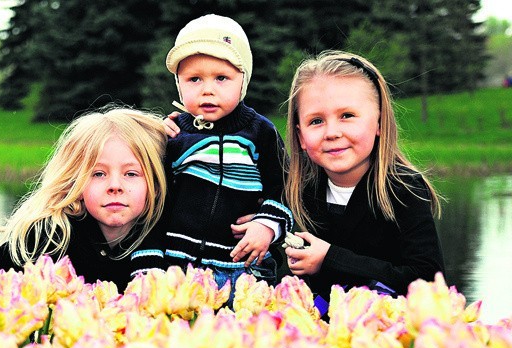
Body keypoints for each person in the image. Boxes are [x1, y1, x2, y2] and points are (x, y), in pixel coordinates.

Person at [131, 14, 293, 292]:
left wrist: (267, 225)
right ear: (178, 84)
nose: (207, 90)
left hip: (244, 267)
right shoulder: (171, 136)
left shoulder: (260, 133)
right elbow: (152, 203)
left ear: (243, 80)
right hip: (178, 266)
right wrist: (149, 262)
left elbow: (286, 186)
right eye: (194, 79)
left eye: (221, 78)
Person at [283, 50, 444, 312]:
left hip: (387, 336)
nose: (332, 133)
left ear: (379, 122)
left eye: (347, 115)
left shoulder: (403, 189)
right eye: (316, 121)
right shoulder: (300, 194)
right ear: (301, 137)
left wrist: (330, 258)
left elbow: (428, 281)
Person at [0, 106, 168, 293]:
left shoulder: (171, 237)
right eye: (99, 173)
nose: (115, 186)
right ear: (75, 182)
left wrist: (182, 129)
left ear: (155, 184)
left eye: (131, 173)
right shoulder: (47, 238)